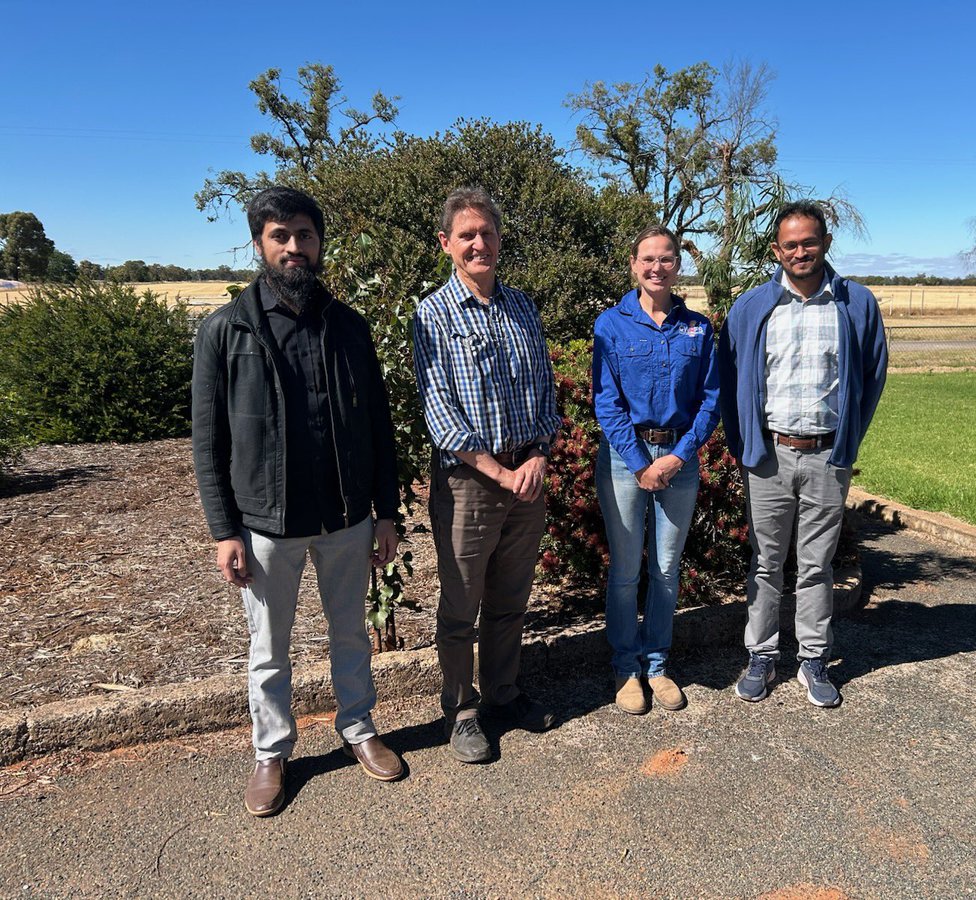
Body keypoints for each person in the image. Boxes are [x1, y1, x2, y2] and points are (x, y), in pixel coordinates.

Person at [192, 186, 404, 817]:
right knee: (268, 648)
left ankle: (359, 729)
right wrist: (223, 530)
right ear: (260, 243)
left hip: (345, 518)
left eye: (304, 235)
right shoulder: (226, 330)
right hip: (265, 525)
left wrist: (386, 511)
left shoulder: (348, 326)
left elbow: (379, 427)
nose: (294, 247)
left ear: (319, 243)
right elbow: (208, 440)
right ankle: (271, 752)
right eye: (280, 236)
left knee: (351, 636)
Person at [717, 200, 887, 708]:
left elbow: (872, 377)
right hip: (769, 456)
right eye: (790, 244)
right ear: (776, 250)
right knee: (767, 562)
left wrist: (849, 439)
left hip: (826, 457)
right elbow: (730, 382)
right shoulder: (752, 307)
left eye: (809, 242)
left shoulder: (856, 304)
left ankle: (813, 660)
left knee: (817, 564)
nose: (800, 251)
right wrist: (744, 444)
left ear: (826, 243)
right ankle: (761, 656)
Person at [413, 187, 560, 763]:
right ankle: (461, 709)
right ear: (447, 244)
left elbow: (545, 392)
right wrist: (500, 471)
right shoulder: (434, 313)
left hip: (528, 474)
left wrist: (540, 455)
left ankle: (503, 692)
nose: (479, 243)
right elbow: (439, 410)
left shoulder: (523, 307)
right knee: (460, 605)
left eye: (488, 233)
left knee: (509, 598)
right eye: (467, 235)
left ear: (500, 240)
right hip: (472, 482)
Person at [592, 224, 720, 714]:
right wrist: (640, 462)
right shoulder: (611, 324)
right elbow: (606, 402)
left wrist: (677, 456)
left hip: (678, 462)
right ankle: (626, 666)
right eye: (648, 258)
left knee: (666, 569)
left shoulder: (699, 328)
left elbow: (710, 401)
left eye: (666, 258)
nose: (657, 267)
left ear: (677, 264)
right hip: (626, 462)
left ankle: (658, 664)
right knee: (626, 571)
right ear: (633, 264)